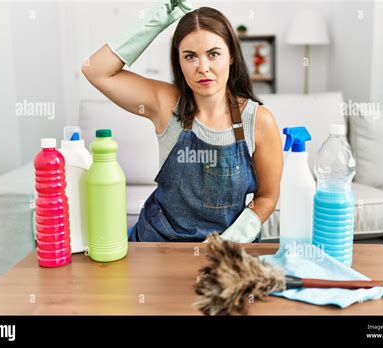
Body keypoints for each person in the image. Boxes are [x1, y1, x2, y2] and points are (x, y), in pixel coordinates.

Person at [82, 1, 283, 242]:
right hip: (157, 244)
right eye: (190, 56)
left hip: (226, 253)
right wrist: (158, 19)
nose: (203, 67)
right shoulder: (165, 104)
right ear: (179, 61)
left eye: (214, 54)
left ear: (231, 56)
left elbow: (267, 197)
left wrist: (230, 241)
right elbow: (95, 70)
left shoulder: (258, 120)